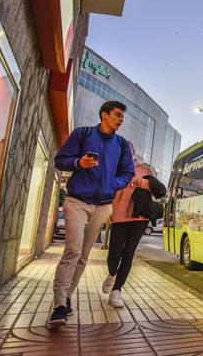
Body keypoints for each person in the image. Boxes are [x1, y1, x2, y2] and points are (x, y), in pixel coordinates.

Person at [47, 100, 134, 328]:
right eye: (117, 114)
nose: (121, 119)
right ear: (104, 115)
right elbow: (60, 160)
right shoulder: (82, 134)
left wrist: (111, 184)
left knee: (84, 255)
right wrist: (79, 162)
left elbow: (128, 173)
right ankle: (58, 307)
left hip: (103, 205)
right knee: (73, 251)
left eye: (122, 116)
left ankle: (66, 297)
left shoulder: (123, 145)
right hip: (77, 202)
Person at [102, 144, 155, 308]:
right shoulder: (112, 168)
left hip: (139, 216)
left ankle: (116, 291)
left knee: (128, 254)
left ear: (133, 152)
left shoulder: (145, 169)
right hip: (118, 215)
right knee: (114, 254)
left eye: (129, 149)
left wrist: (140, 182)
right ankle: (111, 274)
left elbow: (153, 189)